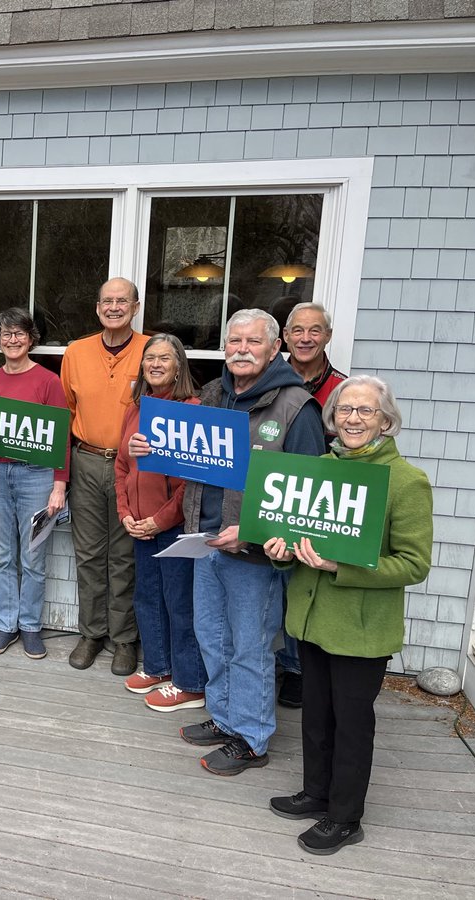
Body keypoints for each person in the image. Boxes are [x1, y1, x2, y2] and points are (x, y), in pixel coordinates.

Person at [140, 309, 324, 775]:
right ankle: (225, 717)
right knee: (213, 637)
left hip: (254, 553)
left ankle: (252, 736)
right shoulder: (213, 394)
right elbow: (192, 461)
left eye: (253, 342)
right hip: (204, 541)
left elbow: (306, 493)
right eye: (234, 341)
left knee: (249, 646)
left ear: (274, 348)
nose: (242, 349)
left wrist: (253, 531)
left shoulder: (297, 408)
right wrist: (152, 449)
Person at [264, 376, 431, 855]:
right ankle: (317, 793)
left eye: (366, 411)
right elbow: (294, 540)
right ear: (332, 418)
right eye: (345, 410)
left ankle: (344, 817)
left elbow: (414, 564)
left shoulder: (405, 481)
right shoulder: (315, 469)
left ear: (386, 420)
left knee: (351, 723)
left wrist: (342, 566)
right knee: (315, 717)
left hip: (360, 628)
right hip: (312, 620)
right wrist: (280, 552)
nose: (353, 418)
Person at [0, 308, 68, 660]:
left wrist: (59, 485)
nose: (12, 340)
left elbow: (61, 438)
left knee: (34, 555)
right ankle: (6, 625)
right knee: (4, 555)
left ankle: (31, 627)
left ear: (31, 338)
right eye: (5, 334)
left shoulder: (48, 381)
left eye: (19, 333)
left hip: (37, 476)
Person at [60, 277, 149, 676]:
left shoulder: (151, 350)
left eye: (122, 301)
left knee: (125, 556)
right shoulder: (76, 352)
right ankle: (92, 633)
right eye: (107, 301)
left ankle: (125, 639)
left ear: (135, 306)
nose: (114, 307)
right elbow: (65, 413)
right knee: (90, 555)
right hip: (87, 459)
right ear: (98, 308)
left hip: (133, 467)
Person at [114, 334, 207, 712]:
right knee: (147, 598)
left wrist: (159, 519)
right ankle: (158, 667)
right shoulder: (136, 407)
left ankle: (189, 682)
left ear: (179, 365)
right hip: (138, 523)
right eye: (149, 357)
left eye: (164, 358)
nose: (155, 364)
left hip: (173, 527)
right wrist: (126, 514)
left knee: (179, 603)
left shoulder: (192, 408)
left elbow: (192, 482)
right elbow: (122, 466)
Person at [276, 302, 347, 708]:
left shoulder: (341, 388)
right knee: (275, 582)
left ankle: (299, 669)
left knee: (302, 585)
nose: (305, 338)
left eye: (314, 331)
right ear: (285, 337)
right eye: (298, 331)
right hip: (272, 496)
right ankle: (279, 661)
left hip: (318, 501)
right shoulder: (269, 378)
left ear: (328, 336)